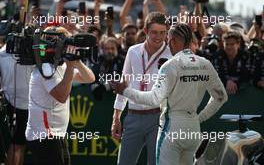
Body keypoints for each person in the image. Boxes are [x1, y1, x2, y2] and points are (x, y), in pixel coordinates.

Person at [111, 23, 228, 165]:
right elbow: (221, 97)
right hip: (193, 128)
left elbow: (154, 98)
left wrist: (125, 91)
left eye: (168, 41)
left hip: (172, 126)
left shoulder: (170, 65)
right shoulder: (205, 64)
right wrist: (199, 118)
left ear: (172, 41)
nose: (168, 45)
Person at [25, 26, 95, 165]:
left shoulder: (60, 65)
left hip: (56, 134)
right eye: (65, 42)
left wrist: (77, 62)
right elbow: (61, 96)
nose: (68, 46)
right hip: (44, 134)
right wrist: (70, 67)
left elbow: (89, 78)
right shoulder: (45, 68)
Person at [111, 12, 172, 165]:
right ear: (145, 31)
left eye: (163, 33)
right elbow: (124, 84)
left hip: (159, 118)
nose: (158, 37)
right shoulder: (133, 51)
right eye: (154, 32)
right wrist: (116, 116)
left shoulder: (172, 54)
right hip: (133, 116)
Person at [0, 43, 33, 165]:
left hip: (16, 103)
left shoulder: (2, 53)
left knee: (19, 146)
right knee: (17, 147)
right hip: (21, 105)